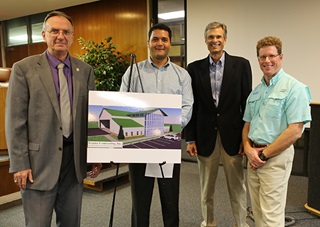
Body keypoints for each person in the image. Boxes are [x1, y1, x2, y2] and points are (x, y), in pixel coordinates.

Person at [5, 11, 102, 227]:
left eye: (66, 31)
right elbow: (15, 120)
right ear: (44, 35)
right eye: (54, 31)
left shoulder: (85, 70)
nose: (60, 36)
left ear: (72, 36)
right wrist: (20, 163)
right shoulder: (24, 69)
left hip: (73, 161)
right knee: (38, 223)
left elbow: (91, 119)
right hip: (38, 165)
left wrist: (96, 153)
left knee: (71, 222)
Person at [120, 23, 193, 227]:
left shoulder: (182, 75)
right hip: (138, 144)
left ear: (170, 44)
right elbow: (121, 102)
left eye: (164, 39)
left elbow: (188, 106)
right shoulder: (133, 71)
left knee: (170, 200)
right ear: (149, 42)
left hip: (168, 143)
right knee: (140, 201)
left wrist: (168, 128)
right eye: (155, 39)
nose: (159, 43)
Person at [184, 22, 252, 227]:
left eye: (219, 37)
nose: (215, 40)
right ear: (205, 40)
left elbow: (247, 104)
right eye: (211, 37)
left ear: (225, 39)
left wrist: (245, 139)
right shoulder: (193, 69)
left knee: (237, 187)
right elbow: (190, 105)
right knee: (206, 188)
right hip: (205, 137)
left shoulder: (241, 65)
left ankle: (241, 223)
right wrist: (190, 138)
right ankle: (209, 222)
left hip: (233, 137)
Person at [242, 36, 312, 226]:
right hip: (253, 157)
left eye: (271, 56)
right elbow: (247, 124)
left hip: (274, 158)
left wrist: (263, 155)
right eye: (262, 57)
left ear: (281, 57)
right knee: (257, 214)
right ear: (258, 60)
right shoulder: (256, 92)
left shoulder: (294, 88)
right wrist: (249, 150)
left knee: (271, 216)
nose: (267, 61)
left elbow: (296, 131)